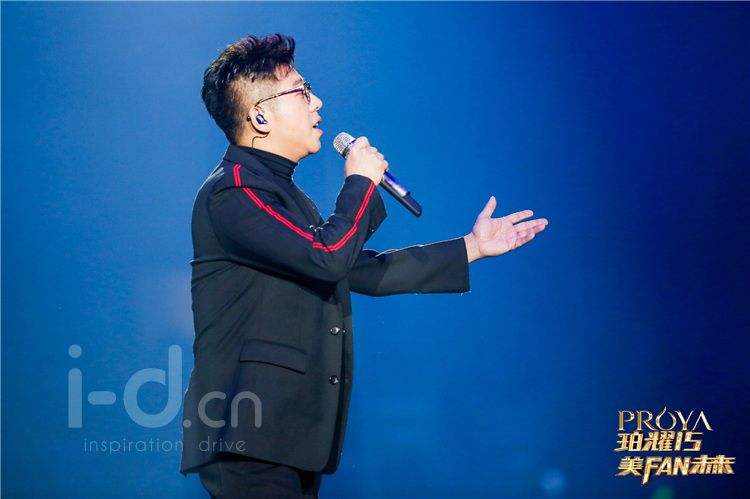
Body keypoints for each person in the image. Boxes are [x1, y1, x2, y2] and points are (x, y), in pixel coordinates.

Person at [180, 34, 549, 498]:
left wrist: (471, 247)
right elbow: (328, 256)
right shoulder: (233, 191)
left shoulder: (282, 195)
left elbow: (358, 270)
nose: (317, 102)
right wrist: (359, 181)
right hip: (250, 432)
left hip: (285, 436)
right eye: (301, 90)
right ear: (260, 116)